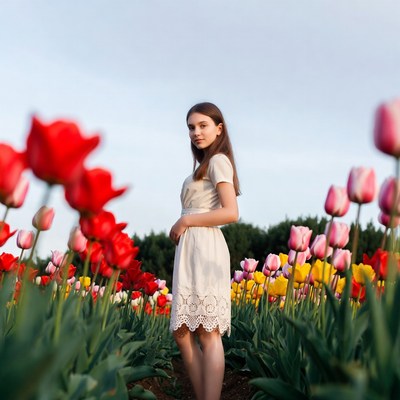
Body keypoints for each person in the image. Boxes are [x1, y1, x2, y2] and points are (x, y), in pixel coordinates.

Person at [169, 102, 240, 400]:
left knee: (208, 332)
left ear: (218, 129)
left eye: (202, 125)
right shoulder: (202, 166)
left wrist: (186, 219)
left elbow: (231, 213)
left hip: (206, 247)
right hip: (190, 250)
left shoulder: (219, 161)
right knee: (182, 331)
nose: (196, 132)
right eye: (191, 127)